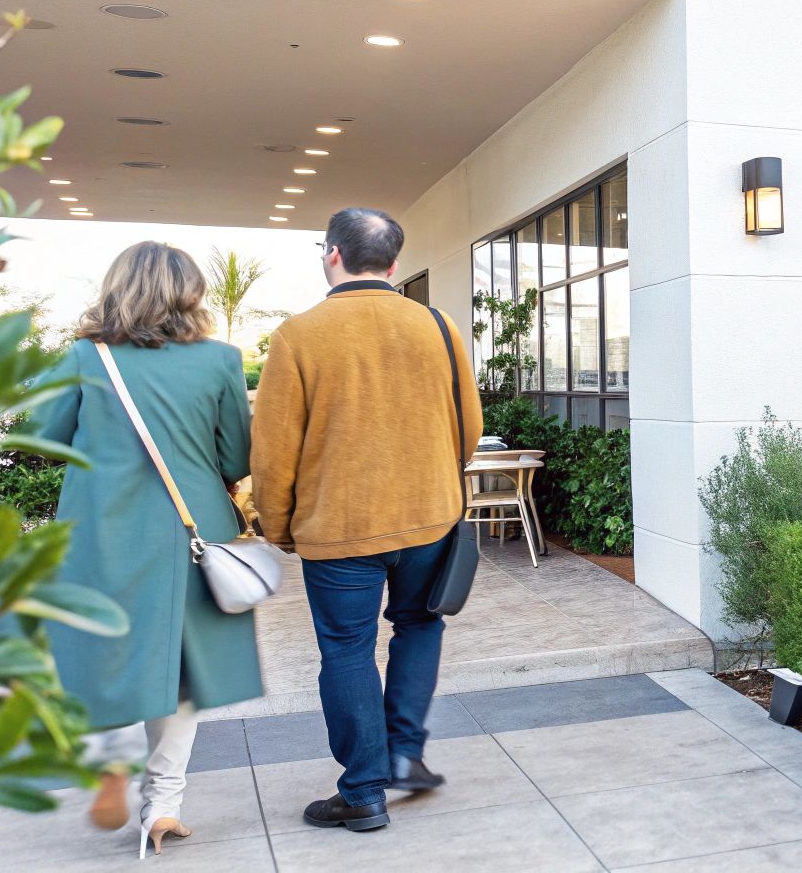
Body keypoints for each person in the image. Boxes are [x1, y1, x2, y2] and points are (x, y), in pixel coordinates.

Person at [252, 208, 481, 833]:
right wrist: (435, 479)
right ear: (394, 264)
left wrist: (278, 526)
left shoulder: (299, 334)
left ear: (332, 255)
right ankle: (403, 753)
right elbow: (470, 427)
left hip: (339, 529)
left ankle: (363, 791)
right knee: (419, 626)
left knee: (347, 651)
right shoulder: (436, 324)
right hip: (430, 519)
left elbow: (273, 452)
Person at [34, 242, 261, 857]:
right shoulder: (219, 360)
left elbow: (44, 440)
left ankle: (111, 755)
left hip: (101, 530)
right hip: (191, 537)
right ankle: (162, 805)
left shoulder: (86, 355)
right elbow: (237, 458)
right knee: (183, 671)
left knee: (105, 653)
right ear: (190, 293)